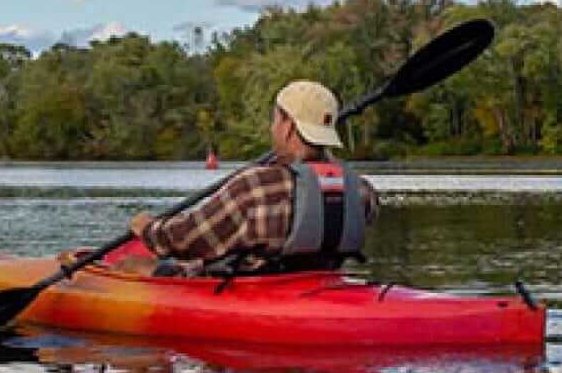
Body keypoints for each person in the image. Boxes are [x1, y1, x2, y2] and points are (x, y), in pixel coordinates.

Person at [127, 80, 378, 276]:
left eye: (275, 119)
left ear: (288, 126)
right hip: (319, 284)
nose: (272, 128)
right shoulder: (361, 190)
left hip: (250, 289)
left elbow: (187, 240)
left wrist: (149, 228)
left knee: (132, 266)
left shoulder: (255, 186)